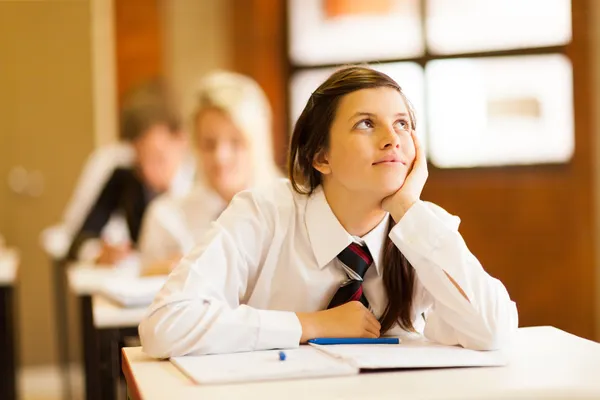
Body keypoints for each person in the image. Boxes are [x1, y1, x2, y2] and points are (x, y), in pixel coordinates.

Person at [139, 66, 518, 358]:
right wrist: (308, 325)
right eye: (366, 124)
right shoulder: (262, 213)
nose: (392, 138)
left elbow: (495, 331)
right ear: (321, 156)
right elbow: (164, 325)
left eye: (402, 123)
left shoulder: (421, 230)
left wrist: (407, 208)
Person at [138, 71, 280, 275]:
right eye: (209, 144)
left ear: (258, 143)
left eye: (236, 142)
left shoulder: (292, 212)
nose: (221, 157)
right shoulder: (165, 217)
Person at [66, 82, 195, 264]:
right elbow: (79, 241)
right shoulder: (126, 179)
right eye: (141, 162)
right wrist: (99, 253)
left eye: (158, 159)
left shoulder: (203, 184)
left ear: (182, 140)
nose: (149, 173)